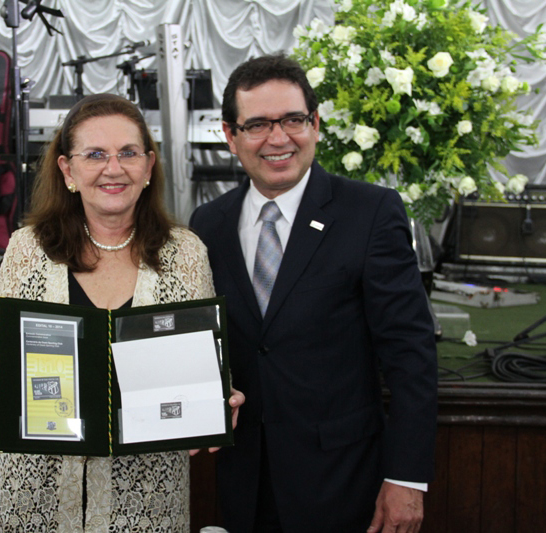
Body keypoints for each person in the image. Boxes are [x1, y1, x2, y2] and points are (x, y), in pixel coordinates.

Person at [189, 54, 438, 533]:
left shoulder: (371, 212)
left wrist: (407, 477)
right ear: (230, 135)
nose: (278, 138)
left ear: (316, 124)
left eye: (293, 120)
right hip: (242, 481)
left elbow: (411, 355)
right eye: (258, 124)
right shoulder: (208, 225)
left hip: (343, 484)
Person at [0, 94, 242, 532]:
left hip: (147, 501)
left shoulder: (186, 253)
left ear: (149, 167)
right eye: (95, 154)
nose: (113, 169)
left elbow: (205, 359)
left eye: (128, 153)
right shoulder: (28, 247)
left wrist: (219, 397)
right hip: (33, 492)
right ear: (68, 170)